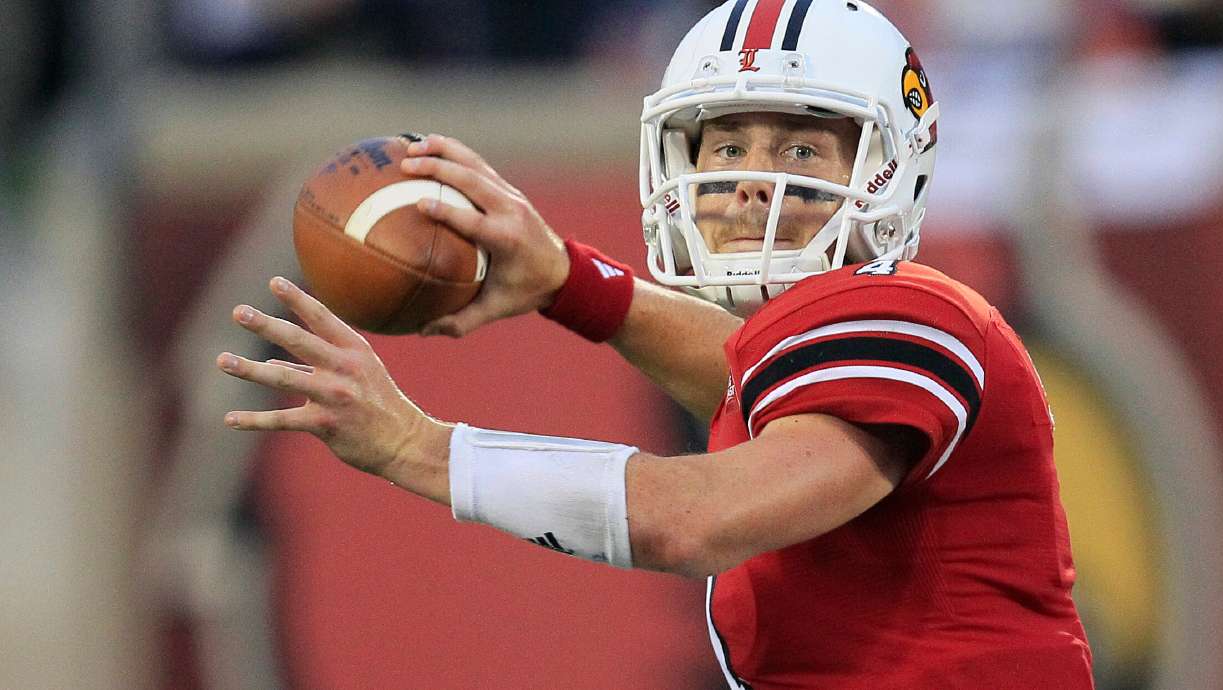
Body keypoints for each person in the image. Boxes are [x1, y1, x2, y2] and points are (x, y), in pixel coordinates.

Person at [217, 1, 1094, 687]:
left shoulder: (913, 314)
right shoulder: (819, 344)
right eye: (726, 145)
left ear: (888, 166)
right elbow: (746, 381)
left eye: (799, 144)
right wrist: (567, 281)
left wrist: (419, 448)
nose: (752, 180)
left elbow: (694, 519)